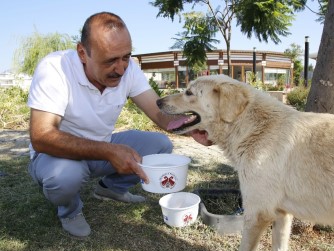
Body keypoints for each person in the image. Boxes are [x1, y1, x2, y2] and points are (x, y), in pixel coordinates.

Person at [27, 11, 211, 238]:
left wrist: (194, 126)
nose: (121, 69)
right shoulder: (55, 68)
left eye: (126, 57)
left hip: (103, 147)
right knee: (63, 178)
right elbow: (41, 136)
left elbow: (161, 115)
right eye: (110, 60)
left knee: (160, 145)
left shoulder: (129, 70)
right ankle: (69, 210)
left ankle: (110, 189)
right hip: (59, 155)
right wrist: (110, 151)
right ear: (82, 53)